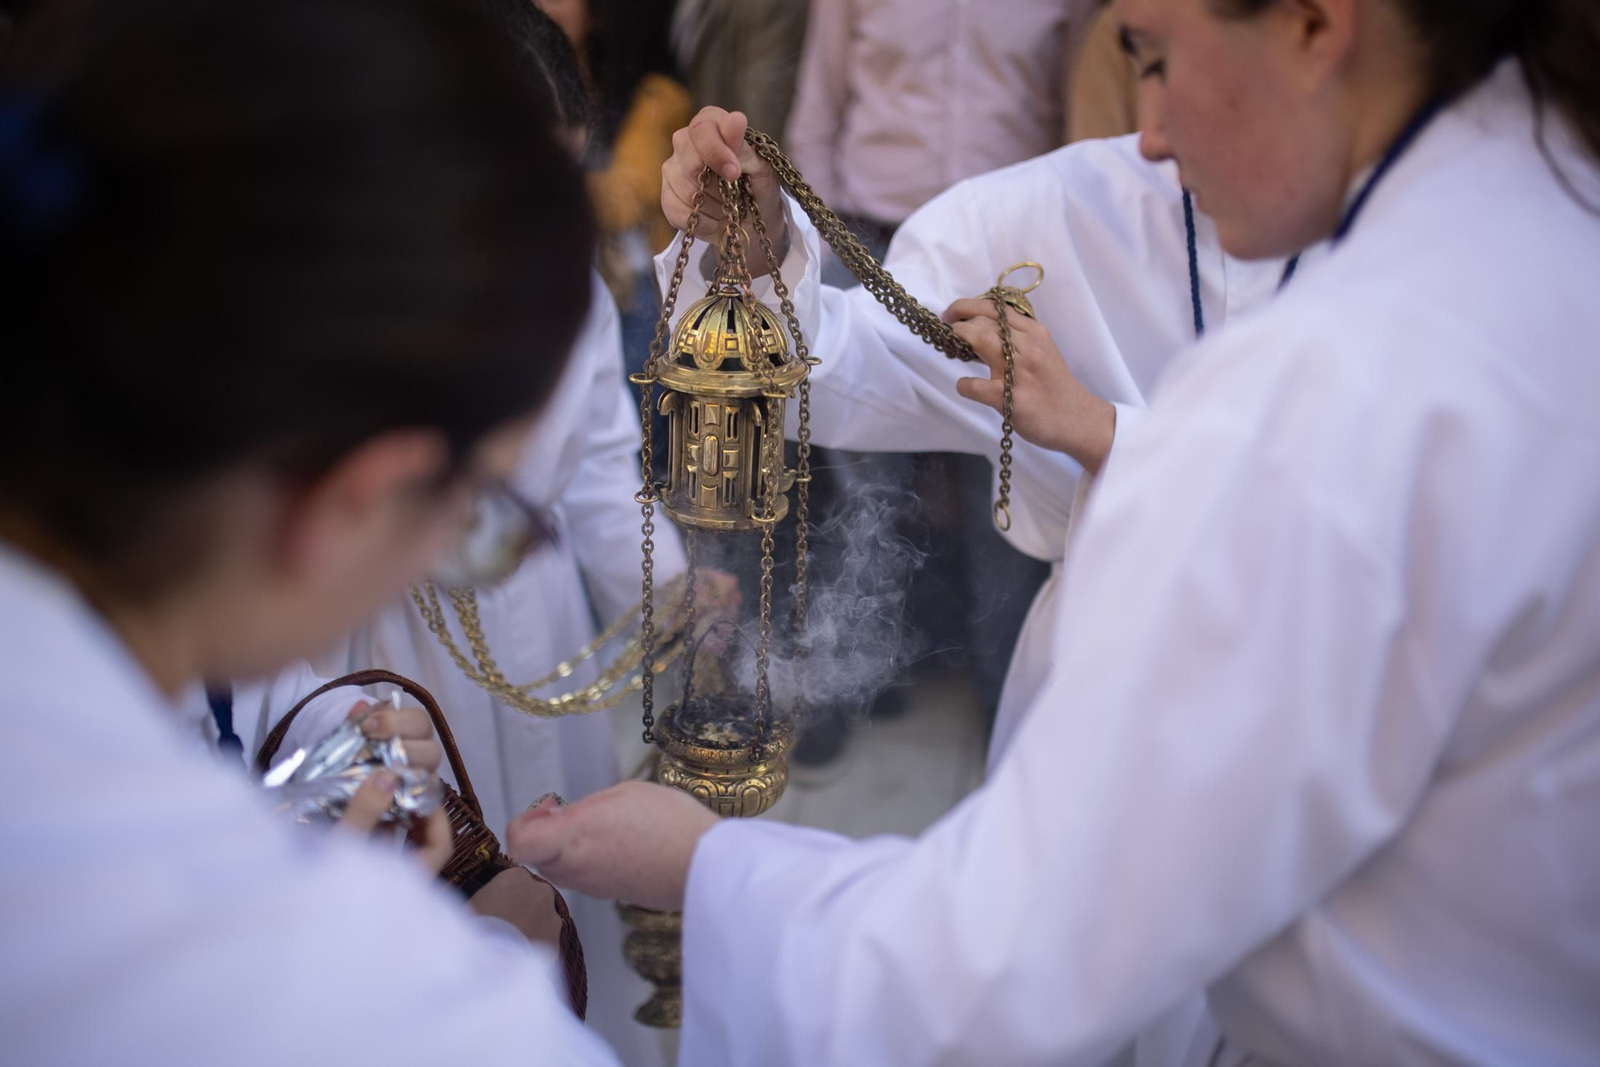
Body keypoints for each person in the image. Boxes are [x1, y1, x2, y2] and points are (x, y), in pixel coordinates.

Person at [510, 0, 1600, 1063]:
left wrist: (708, 869)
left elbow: (991, 969)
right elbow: (848, 356)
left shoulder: (1350, 377)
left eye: (1155, 54)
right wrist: (750, 261)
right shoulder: (1540, 223)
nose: (1153, 127)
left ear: (1317, 26)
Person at [0, 0, 619, 1062]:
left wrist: (315, 762)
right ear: (359, 494)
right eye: (481, 515)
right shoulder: (418, 1011)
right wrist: (423, 932)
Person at [654, 107, 1293, 771]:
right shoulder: (1042, 209)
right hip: (1092, 692)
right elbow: (842, 368)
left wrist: (1102, 432)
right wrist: (758, 254)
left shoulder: (1398, 255)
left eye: (1168, 60)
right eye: (1142, 56)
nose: (1153, 127)